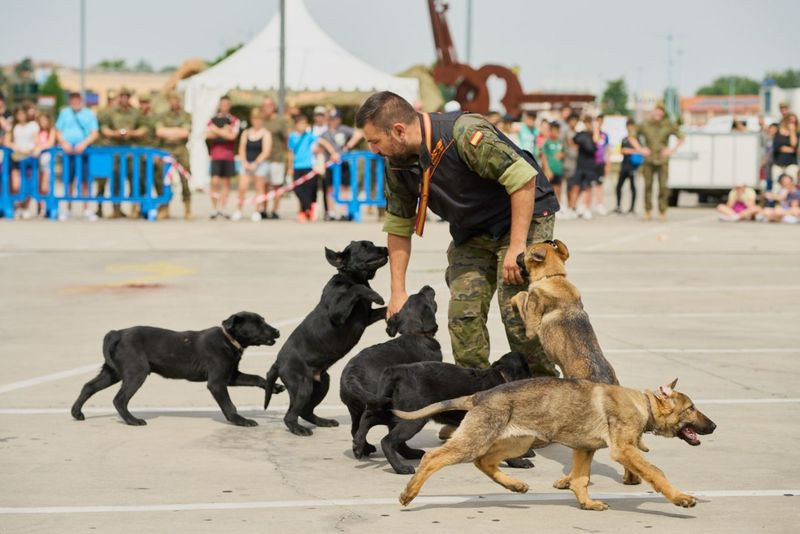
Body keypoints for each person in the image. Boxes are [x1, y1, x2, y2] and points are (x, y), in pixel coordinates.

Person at [355, 91, 559, 377]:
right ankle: (477, 395)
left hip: (521, 218)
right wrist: (397, 292)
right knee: (464, 316)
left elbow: (523, 178)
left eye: (375, 141)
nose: (373, 150)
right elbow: (399, 226)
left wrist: (517, 248)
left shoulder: (463, 133)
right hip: (473, 230)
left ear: (398, 131)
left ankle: (546, 393)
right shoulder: (398, 162)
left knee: (517, 313)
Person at [101, 87, 147, 218]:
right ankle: (116, 209)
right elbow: (104, 128)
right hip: (115, 151)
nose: (124, 99)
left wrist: (132, 133)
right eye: (122, 96)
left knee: (135, 179)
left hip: (132, 151)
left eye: (127, 96)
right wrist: (115, 134)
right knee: (115, 179)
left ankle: (135, 208)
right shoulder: (111, 113)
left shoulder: (136, 113)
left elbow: (143, 128)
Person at [55, 91, 99, 221]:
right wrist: (63, 143)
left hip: (84, 151)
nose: (75, 102)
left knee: (85, 180)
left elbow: (94, 132)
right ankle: (67, 208)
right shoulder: (65, 113)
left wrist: (84, 143)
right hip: (68, 152)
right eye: (72, 99)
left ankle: (86, 208)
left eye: (77, 99)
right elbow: (58, 130)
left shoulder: (88, 113)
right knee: (68, 180)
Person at [287, 114, 338, 222]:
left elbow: (323, 142)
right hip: (297, 166)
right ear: (296, 125)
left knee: (309, 190)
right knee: (297, 189)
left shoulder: (309, 135)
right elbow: (290, 152)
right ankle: (310, 207)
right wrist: (290, 167)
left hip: (308, 166)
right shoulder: (292, 136)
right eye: (301, 123)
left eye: (304, 124)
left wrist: (333, 152)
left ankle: (306, 211)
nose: (303, 126)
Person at [637, 103, 684, 221]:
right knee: (648, 186)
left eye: (661, 111)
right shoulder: (645, 124)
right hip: (648, 160)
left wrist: (672, 150)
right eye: (657, 110)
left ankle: (662, 211)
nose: (658, 113)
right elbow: (632, 135)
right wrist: (640, 148)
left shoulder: (668, 124)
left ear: (663, 113)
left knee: (663, 187)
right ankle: (648, 211)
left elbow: (681, 137)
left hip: (663, 160)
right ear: (653, 111)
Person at [319, 108, 363, 220]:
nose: (334, 121)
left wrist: (348, 146)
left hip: (343, 163)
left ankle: (344, 212)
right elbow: (320, 143)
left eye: (336, 119)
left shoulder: (343, 129)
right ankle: (331, 212)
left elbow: (359, 134)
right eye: (332, 119)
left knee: (344, 188)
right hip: (330, 164)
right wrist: (332, 153)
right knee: (330, 188)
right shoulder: (325, 133)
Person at [155, 91, 193, 220]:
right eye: (171, 100)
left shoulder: (186, 115)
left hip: (181, 149)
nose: (173, 102)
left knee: (185, 177)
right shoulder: (163, 115)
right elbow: (159, 132)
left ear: (179, 101)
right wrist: (177, 131)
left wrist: (169, 132)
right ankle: (165, 207)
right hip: (166, 150)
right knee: (163, 178)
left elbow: (185, 133)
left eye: (175, 99)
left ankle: (187, 207)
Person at [234, 107, 272, 222]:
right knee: (242, 187)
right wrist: (245, 162)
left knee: (259, 188)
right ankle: (238, 210)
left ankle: (257, 211)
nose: (257, 121)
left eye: (259, 119)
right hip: (246, 162)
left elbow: (266, 151)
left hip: (260, 163)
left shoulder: (266, 133)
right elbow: (241, 149)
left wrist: (256, 163)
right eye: (255, 119)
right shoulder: (246, 133)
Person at [206, 95, 240, 219]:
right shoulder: (213, 119)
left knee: (226, 184)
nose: (224, 107)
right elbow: (208, 135)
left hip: (228, 156)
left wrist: (216, 130)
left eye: (227, 104)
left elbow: (232, 136)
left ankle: (222, 208)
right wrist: (224, 131)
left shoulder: (234, 120)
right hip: (215, 155)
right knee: (214, 182)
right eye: (223, 104)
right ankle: (214, 208)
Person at [4, 107, 40, 218]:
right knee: (16, 185)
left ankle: (25, 207)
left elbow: (36, 141)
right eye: (18, 114)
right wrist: (13, 146)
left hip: (29, 158)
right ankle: (18, 205)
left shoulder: (33, 125)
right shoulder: (14, 127)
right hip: (16, 158)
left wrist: (32, 149)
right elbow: (6, 141)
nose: (21, 116)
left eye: (22, 114)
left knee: (29, 184)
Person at [260, 97, 290, 219]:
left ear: (274, 107)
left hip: (277, 157)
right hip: (263, 158)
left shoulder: (280, 121)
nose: (267, 108)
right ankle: (263, 209)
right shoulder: (261, 121)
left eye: (269, 105)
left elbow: (286, 139)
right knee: (264, 185)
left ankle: (275, 210)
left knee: (276, 184)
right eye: (265, 105)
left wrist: (285, 154)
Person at [570, 116, 599, 220]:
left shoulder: (594, 135)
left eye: (590, 123)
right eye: (587, 123)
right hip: (580, 165)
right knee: (576, 186)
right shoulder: (580, 135)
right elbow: (573, 141)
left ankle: (586, 207)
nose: (588, 125)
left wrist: (596, 129)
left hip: (590, 165)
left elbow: (596, 142)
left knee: (588, 187)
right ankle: (573, 208)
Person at [614, 119, 645, 214]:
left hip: (633, 166)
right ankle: (618, 206)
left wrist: (630, 151)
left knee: (633, 187)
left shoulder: (638, 139)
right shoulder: (624, 139)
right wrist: (626, 150)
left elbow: (641, 151)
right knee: (618, 186)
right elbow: (621, 150)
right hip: (624, 166)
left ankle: (632, 207)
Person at [557, 113, 580, 219]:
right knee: (565, 184)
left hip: (576, 162)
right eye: (572, 120)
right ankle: (564, 205)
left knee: (574, 185)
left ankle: (572, 206)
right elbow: (562, 145)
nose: (574, 122)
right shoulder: (565, 132)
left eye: (576, 120)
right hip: (566, 161)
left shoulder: (578, 133)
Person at [33, 112, 56, 217]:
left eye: (44, 121)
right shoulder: (37, 132)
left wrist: (40, 148)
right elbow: (35, 142)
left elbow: (50, 143)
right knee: (38, 186)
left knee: (45, 186)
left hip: (48, 161)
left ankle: (47, 207)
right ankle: (40, 208)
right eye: (40, 121)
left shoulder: (52, 131)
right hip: (38, 161)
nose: (42, 123)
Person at [589, 114, 610, 215]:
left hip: (601, 163)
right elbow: (595, 140)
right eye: (597, 121)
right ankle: (586, 205)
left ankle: (600, 204)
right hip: (591, 163)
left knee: (600, 184)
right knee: (588, 185)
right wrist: (596, 129)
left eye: (601, 121)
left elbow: (607, 149)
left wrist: (608, 163)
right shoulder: (592, 133)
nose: (599, 123)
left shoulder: (605, 135)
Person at [771, 114, 798, 188]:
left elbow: (794, 145)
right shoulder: (778, 132)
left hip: (791, 162)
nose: (791, 124)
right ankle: (777, 198)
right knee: (777, 185)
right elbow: (777, 147)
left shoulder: (796, 133)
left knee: (792, 182)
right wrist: (790, 149)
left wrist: (792, 131)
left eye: (793, 122)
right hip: (778, 163)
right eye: (790, 121)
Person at [541, 121, 564, 201]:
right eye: (553, 130)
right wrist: (547, 170)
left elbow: (565, 153)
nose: (555, 132)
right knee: (551, 188)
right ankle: (552, 204)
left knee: (559, 187)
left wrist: (562, 155)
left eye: (557, 130)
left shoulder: (560, 142)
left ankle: (559, 204)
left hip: (559, 170)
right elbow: (544, 157)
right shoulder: (547, 142)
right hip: (550, 170)